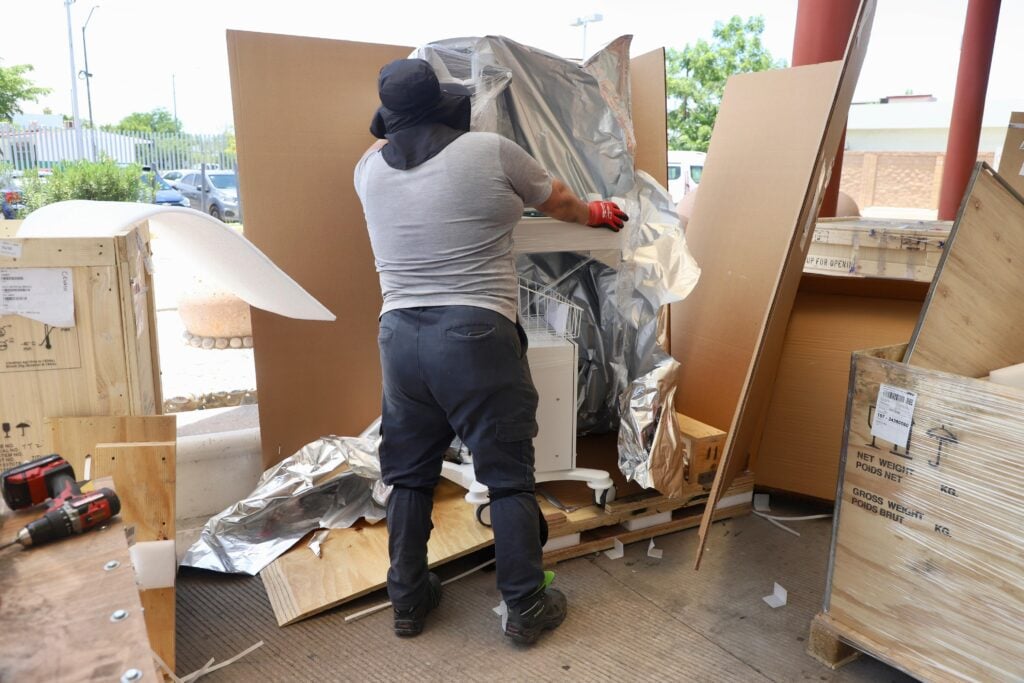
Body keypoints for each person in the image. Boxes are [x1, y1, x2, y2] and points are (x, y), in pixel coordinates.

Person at [353, 58, 627, 645]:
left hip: (399, 337)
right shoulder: (488, 151)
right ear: (445, 106)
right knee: (507, 476)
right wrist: (596, 212)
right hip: (474, 333)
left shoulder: (366, 170)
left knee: (408, 474)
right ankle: (525, 605)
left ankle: (407, 599)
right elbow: (558, 203)